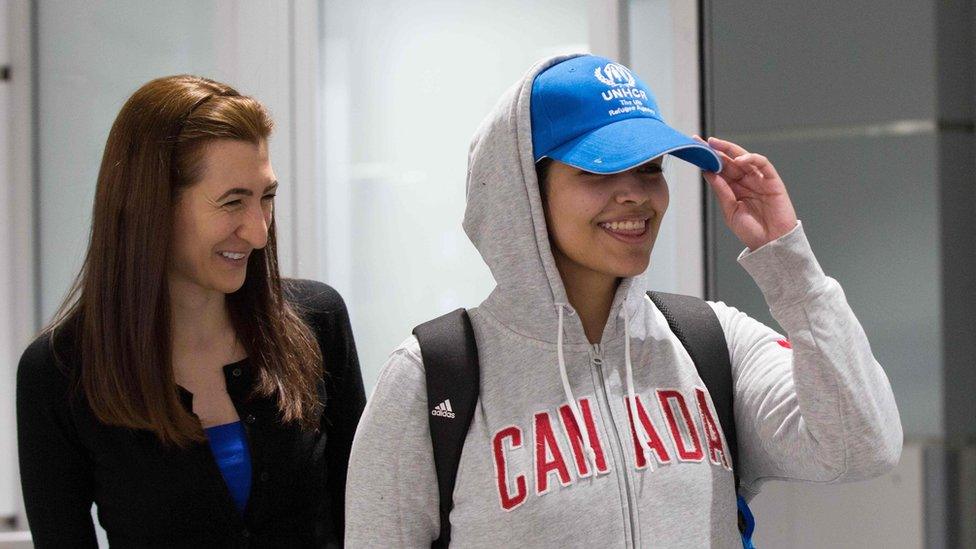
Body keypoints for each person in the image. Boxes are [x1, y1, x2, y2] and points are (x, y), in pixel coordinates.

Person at [344, 54, 902, 547]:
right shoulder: (432, 378)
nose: (636, 193)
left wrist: (788, 261)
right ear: (524, 191)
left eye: (650, 168)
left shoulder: (710, 344)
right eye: (598, 168)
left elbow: (861, 445)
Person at [17, 75, 365, 547]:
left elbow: (367, 519)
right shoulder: (59, 372)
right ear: (151, 207)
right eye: (232, 202)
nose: (260, 233)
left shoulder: (317, 322)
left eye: (266, 198)